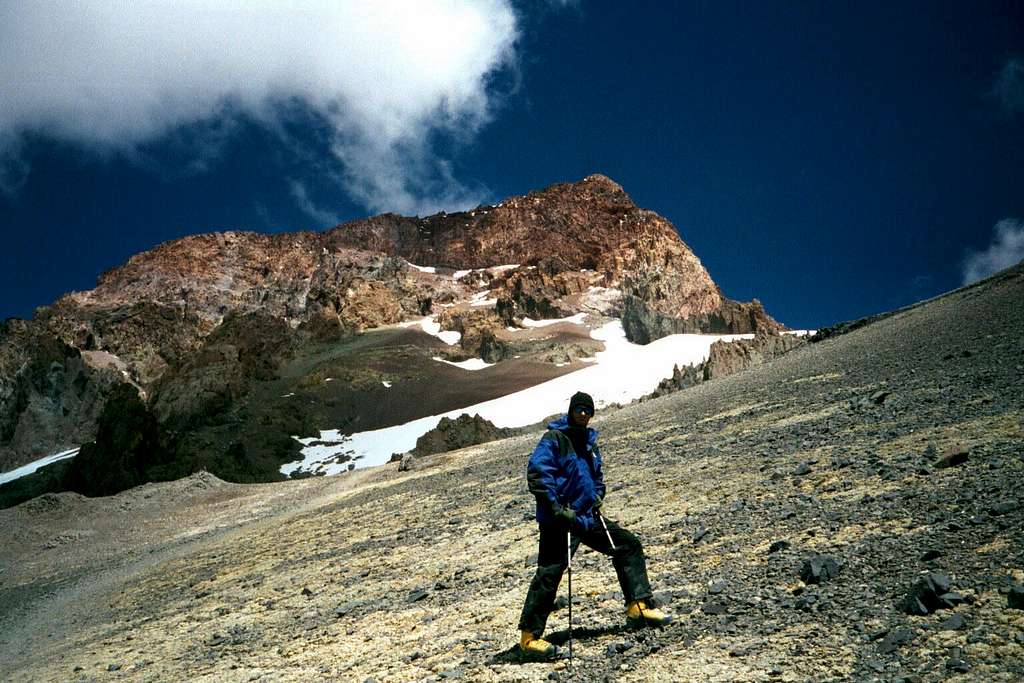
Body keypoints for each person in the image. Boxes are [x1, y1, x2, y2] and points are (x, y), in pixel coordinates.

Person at [517, 391, 672, 659]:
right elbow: (539, 474)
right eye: (578, 409)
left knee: (627, 545)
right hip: (560, 522)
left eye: (587, 410)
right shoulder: (554, 439)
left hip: (587, 516)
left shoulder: (589, 442)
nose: (582, 414)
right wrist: (557, 510)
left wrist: (598, 495)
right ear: (570, 411)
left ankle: (638, 607)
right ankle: (529, 638)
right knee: (550, 573)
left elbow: (596, 477)